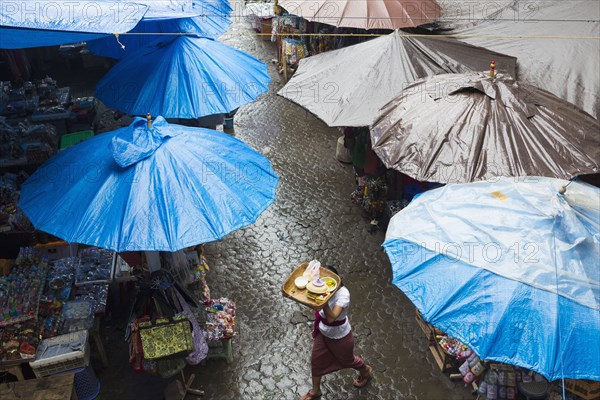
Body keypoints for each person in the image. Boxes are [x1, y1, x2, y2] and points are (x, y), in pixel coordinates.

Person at [300, 266, 372, 400]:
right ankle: (316, 390)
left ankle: (365, 370)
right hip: (323, 332)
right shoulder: (320, 288)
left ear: (339, 280)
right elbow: (313, 304)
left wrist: (324, 300)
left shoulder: (343, 295)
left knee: (348, 360)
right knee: (316, 361)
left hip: (340, 336)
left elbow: (332, 317)